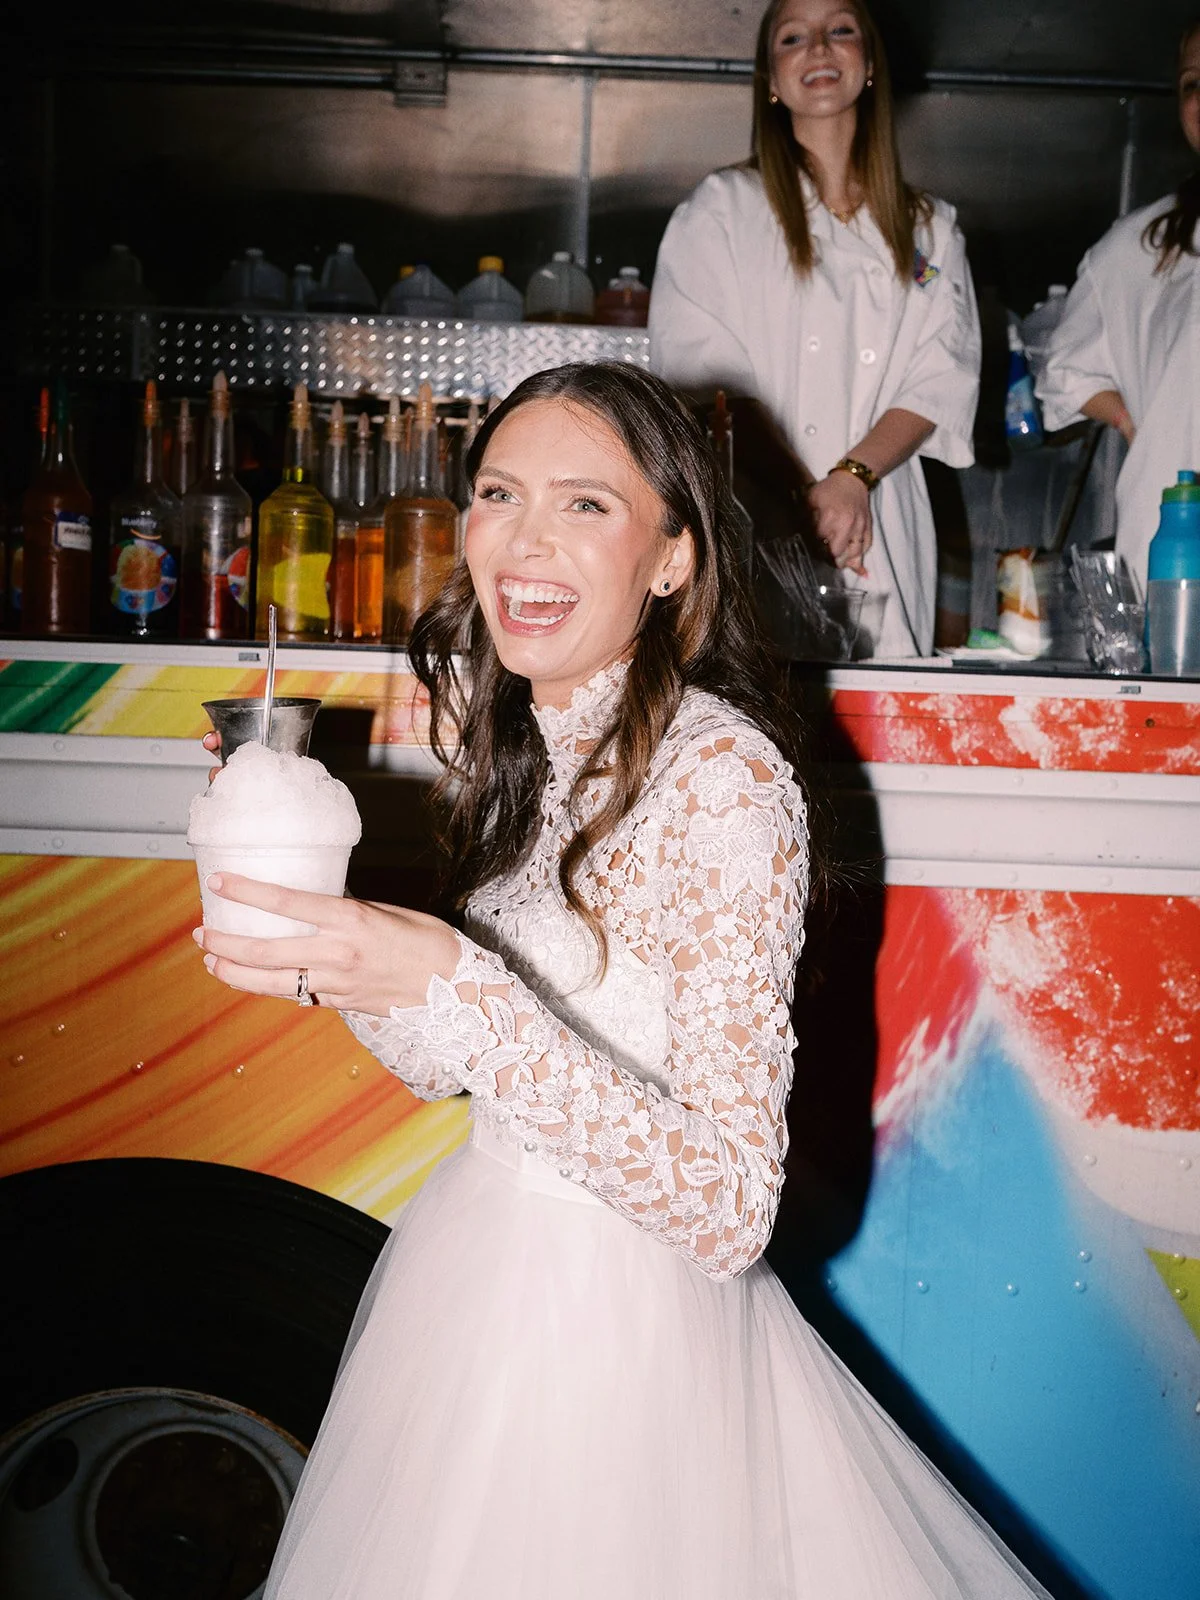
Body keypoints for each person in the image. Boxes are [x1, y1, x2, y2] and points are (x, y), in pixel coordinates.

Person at [196, 363, 1047, 1598]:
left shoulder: (725, 779)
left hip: (620, 1354)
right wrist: (328, 948)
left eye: (585, 504)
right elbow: (459, 1064)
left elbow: (729, 1203)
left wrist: (454, 981)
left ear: (673, 558)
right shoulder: (535, 744)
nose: (524, 539)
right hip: (487, 1293)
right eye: (498, 493)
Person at [648, 0, 981, 659]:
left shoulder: (930, 227)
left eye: (842, 30)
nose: (820, 48)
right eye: (793, 37)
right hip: (760, 513)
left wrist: (854, 478)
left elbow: (942, 374)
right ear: (771, 80)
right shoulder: (722, 208)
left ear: (870, 65)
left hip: (880, 517)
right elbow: (703, 374)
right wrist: (804, 500)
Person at [1036, 20, 1200, 583]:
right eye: (1190, 84)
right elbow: (1064, 370)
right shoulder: (1137, 246)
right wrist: (1138, 422)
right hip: (1173, 546)